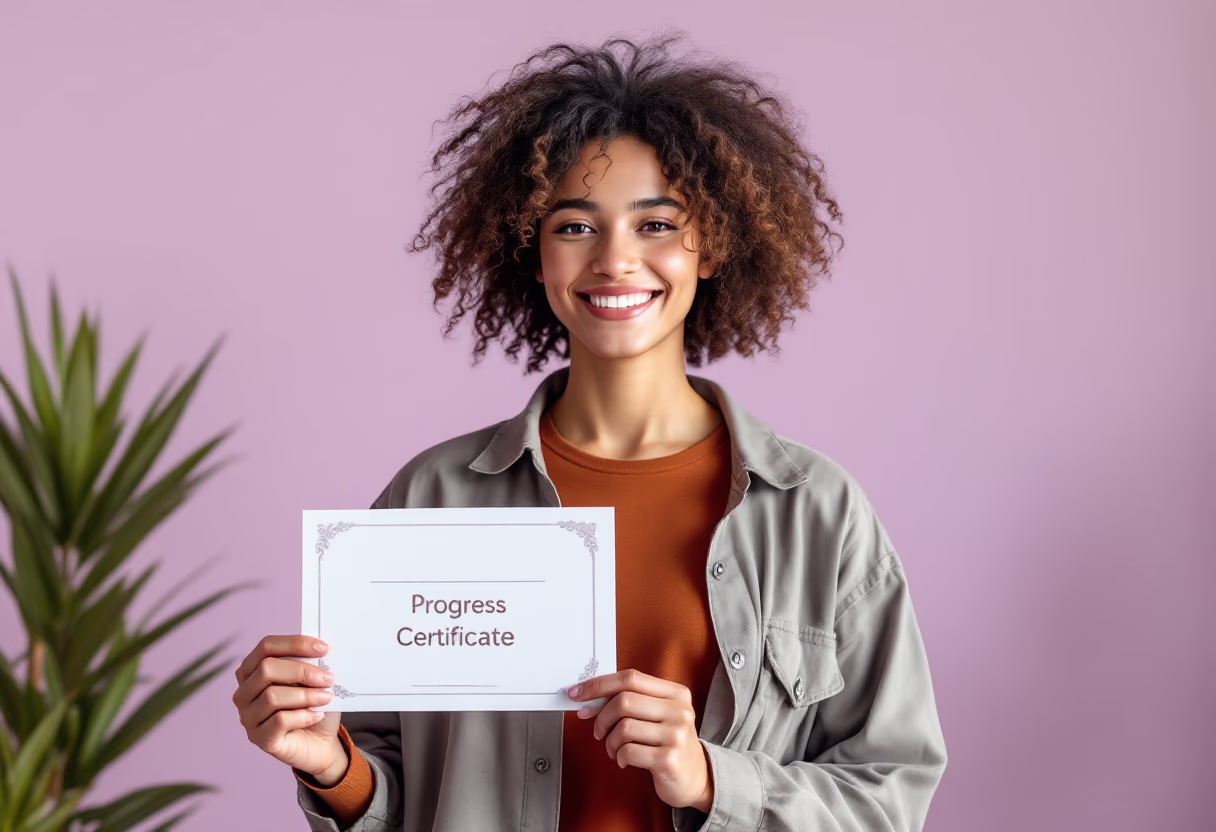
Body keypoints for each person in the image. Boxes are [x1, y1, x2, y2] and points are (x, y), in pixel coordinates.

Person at [231, 33, 947, 832]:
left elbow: (889, 800)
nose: (614, 259)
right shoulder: (430, 497)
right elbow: (395, 795)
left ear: (708, 247)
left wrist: (711, 778)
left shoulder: (818, 513)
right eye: (575, 226)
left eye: (656, 225)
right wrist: (331, 766)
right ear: (533, 255)